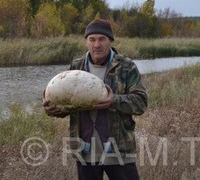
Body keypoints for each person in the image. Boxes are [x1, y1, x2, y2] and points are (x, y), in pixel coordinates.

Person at [43, 19, 148, 180]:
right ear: (86, 42)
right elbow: (65, 101)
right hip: (85, 150)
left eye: (101, 39)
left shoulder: (126, 67)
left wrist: (114, 101)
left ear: (110, 41)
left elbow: (141, 102)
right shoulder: (76, 68)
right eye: (92, 39)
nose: (96, 44)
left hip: (118, 148)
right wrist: (52, 109)